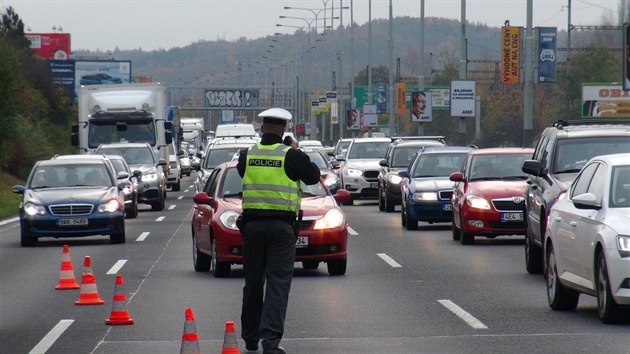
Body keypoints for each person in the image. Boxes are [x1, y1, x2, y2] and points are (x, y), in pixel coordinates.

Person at [237, 107, 320, 354]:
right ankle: (270, 343)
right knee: (277, 283)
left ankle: (250, 339)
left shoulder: (247, 155)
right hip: (281, 229)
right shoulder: (290, 156)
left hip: (252, 227)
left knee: (252, 283)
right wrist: (296, 150)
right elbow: (313, 177)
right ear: (284, 130)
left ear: (262, 128)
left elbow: (245, 175)